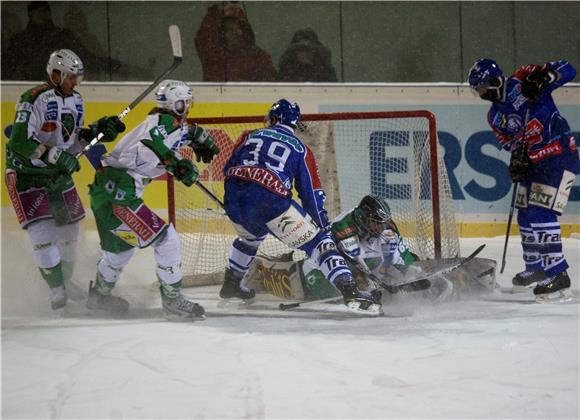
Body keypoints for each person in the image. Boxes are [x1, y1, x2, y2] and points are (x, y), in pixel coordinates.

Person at [220, 99, 382, 315]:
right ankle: (351, 291)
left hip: (234, 199)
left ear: (274, 119)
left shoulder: (250, 135)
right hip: (270, 203)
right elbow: (311, 193)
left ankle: (232, 283)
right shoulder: (300, 148)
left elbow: (227, 168)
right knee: (321, 244)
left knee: (250, 237)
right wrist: (322, 224)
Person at [87, 79, 220, 321]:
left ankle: (98, 298)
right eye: (184, 103)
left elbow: (164, 143)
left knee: (120, 251)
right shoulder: (161, 122)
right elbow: (153, 141)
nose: (188, 108)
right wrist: (176, 163)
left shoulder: (169, 125)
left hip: (106, 190)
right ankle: (172, 302)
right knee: (168, 240)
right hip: (119, 191)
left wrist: (192, 135)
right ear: (174, 104)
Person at [5, 49, 125, 310]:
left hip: (56, 174)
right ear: (55, 74)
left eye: (77, 78)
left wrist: (96, 132)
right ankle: (56, 290)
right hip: (27, 174)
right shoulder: (32, 99)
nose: (74, 83)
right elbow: (19, 143)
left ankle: (65, 281)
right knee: (44, 235)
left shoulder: (77, 100)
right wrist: (55, 155)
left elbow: (73, 143)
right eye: (71, 77)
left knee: (70, 229)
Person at [468, 58, 578, 303]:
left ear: (493, 80)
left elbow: (568, 69)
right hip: (534, 164)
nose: (482, 94)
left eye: (483, 88)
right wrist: (518, 158)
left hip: (558, 155)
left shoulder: (523, 77)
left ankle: (559, 275)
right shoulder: (494, 115)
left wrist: (545, 78)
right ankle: (536, 267)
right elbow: (509, 142)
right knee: (526, 214)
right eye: (479, 91)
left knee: (541, 214)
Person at [3, 1, 103, 81]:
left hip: (58, 86)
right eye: (39, 11)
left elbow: (83, 56)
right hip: (26, 85)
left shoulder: (62, 35)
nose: (43, 14)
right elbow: (9, 65)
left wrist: (112, 65)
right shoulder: (20, 40)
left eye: (46, 11)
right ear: (31, 14)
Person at [195, 2, 277, 81]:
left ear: (245, 31)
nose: (237, 33)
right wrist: (217, 9)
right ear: (221, 35)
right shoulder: (214, 57)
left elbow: (273, 89)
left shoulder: (259, 58)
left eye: (239, 28)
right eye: (229, 29)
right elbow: (203, 38)